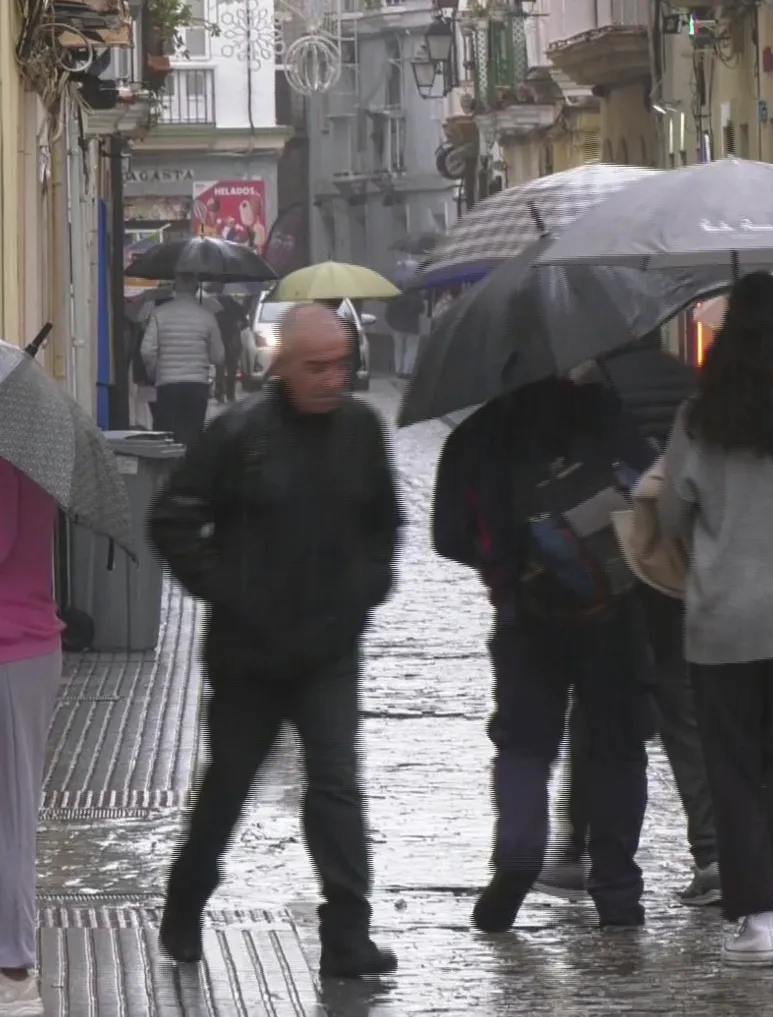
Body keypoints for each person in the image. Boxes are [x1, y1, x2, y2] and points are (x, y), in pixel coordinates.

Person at [149, 303, 402, 978]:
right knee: (230, 782)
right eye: (316, 366)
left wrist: (364, 588)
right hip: (250, 655)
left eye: (341, 365)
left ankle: (347, 933)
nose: (331, 379)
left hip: (328, 650)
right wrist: (227, 586)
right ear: (282, 364)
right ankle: (187, 894)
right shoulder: (239, 433)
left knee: (336, 784)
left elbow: (384, 522)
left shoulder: (360, 429)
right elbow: (172, 515)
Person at [433, 368, 657, 933]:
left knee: (524, 746)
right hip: (615, 611)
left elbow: (447, 535)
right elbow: (651, 492)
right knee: (617, 747)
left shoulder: (475, 437)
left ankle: (518, 853)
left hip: (523, 617)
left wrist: (510, 562)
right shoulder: (604, 413)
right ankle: (617, 891)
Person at [657, 272, 773, 967]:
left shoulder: (699, 418)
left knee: (731, 766)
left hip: (723, 618)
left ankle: (758, 923)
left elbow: (673, 514)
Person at [533, 336, 720, 908]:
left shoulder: (592, 388)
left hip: (611, 566)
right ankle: (713, 854)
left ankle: (576, 848)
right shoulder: (684, 378)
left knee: (598, 711)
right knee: (683, 709)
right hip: (673, 565)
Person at [0, 461, 63, 1017]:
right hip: (24, 648)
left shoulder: (4, 452)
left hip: (9, 653)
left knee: (9, 820)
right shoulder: (24, 438)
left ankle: (12, 973)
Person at [142, 275, 225, 450]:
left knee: (166, 439)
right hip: (197, 386)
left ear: (175, 286)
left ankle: (166, 474)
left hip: (167, 385)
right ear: (196, 288)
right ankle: (189, 472)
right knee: (192, 438)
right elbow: (219, 356)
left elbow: (146, 350)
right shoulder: (207, 316)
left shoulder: (160, 313)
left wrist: (155, 371)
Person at [213, 293, 248, 404]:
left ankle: (221, 393)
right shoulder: (237, 308)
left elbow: (244, 323)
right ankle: (228, 394)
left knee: (222, 369)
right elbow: (245, 324)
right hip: (231, 342)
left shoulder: (216, 308)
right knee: (229, 370)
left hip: (224, 341)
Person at [384, 292, 424, 379]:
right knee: (411, 349)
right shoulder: (416, 295)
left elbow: (387, 314)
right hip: (412, 327)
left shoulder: (395, 295)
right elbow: (422, 309)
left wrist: (393, 324)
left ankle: (398, 370)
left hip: (397, 327)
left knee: (398, 349)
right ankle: (407, 371)